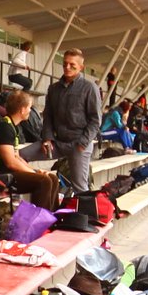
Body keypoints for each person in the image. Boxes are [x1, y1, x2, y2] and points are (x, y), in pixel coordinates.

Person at [41, 47, 102, 191]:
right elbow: (48, 115)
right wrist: (47, 138)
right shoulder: (53, 88)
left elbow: (95, 120)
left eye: (72, 65)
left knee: (80, 187)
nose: (67, 67)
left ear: (81, 67)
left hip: (78, 144)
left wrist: (83, 143)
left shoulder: (90, 88)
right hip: (57, 143)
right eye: (65, 64)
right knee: (21, 154)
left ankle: (84, 207)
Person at [0, 89, 57, 210]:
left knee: (52, 178)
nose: (30, 111)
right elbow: (10, 162)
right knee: (44, 181)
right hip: (2, 176)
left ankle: (52, 217)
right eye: (29, 107)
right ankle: (38, 219)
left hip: (11, 173)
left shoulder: (13, 126)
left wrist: (34, 171)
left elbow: (17, 157)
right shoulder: (4, 127)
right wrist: (34, 173)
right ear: (22, 110)